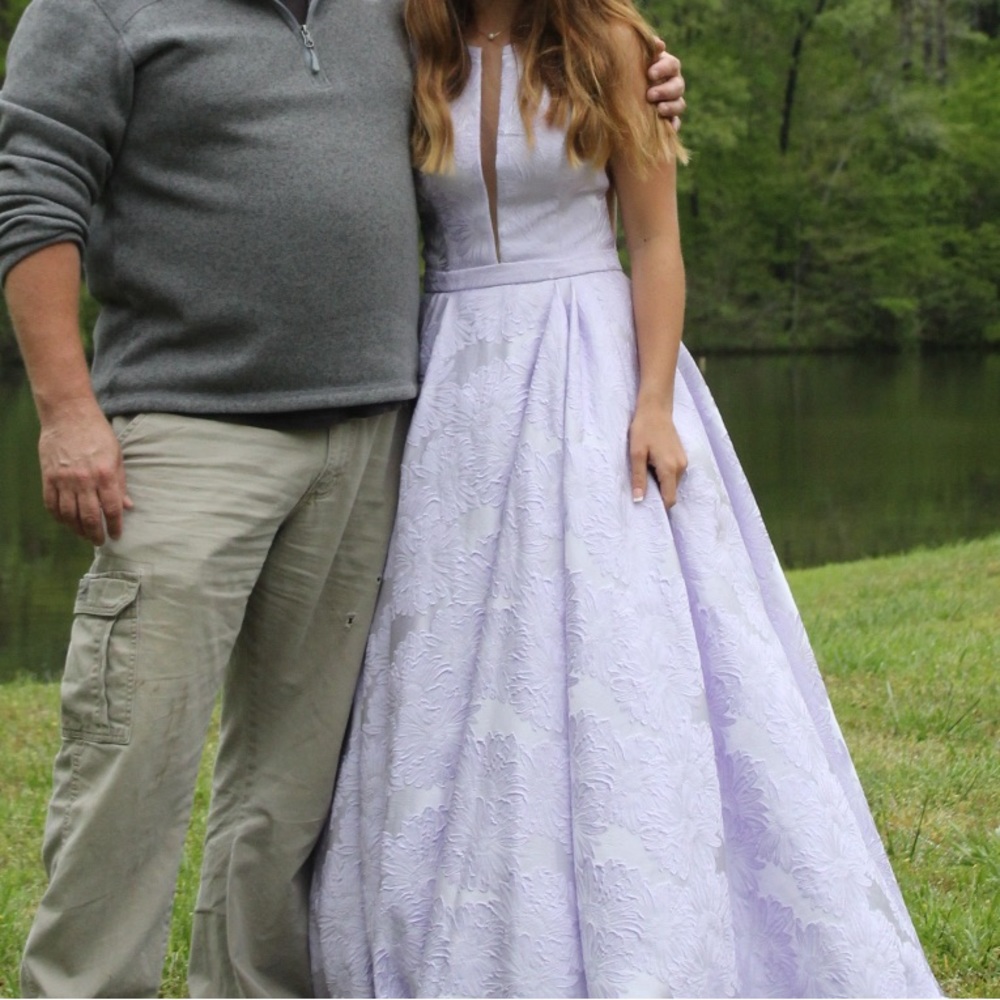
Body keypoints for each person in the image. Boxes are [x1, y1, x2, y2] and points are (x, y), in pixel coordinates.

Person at [0, 0, 685, 995]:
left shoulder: (389, 13)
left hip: (372, 435)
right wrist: (66, 408)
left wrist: (647, 69)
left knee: (289, 787)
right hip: (190, 433)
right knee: (133, 762)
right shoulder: (98, 10)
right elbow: (31, 195)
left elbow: (533, 61)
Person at [308, 0, 942, 996]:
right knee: (448, 652)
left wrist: (651, 401)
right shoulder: (409, 44)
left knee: (612, 635)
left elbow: (652, 243)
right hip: (454, 382)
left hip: (587, 363)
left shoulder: (608, 46)